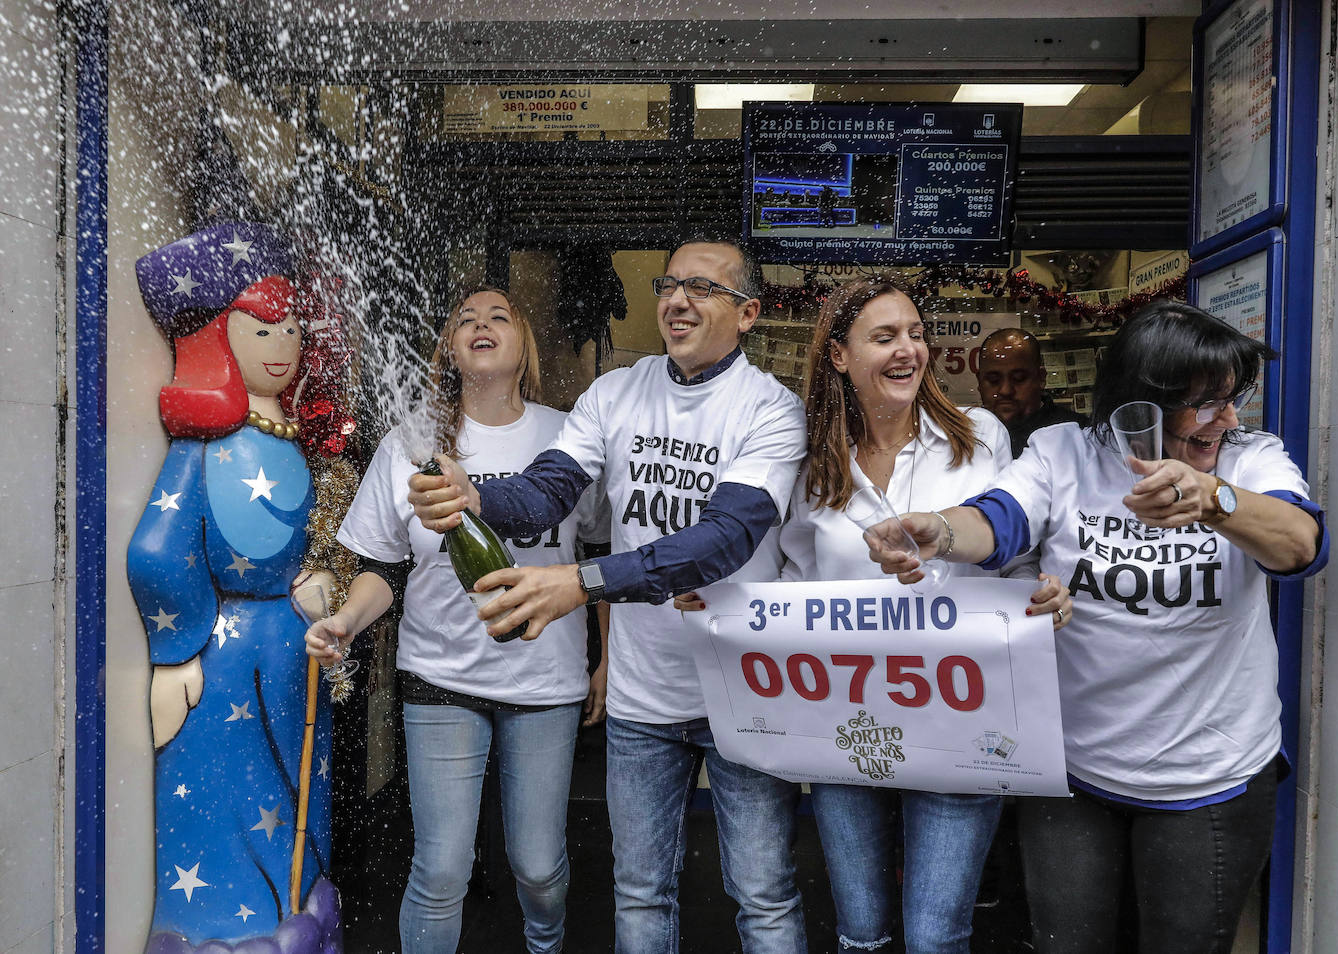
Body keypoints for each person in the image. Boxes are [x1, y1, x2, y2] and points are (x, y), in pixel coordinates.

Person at [868, 300, 1329, 954]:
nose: (1228, 418)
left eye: (1234, 399)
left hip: (1208, 776)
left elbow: (1301, 545)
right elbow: (1000, 519)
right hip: (1074, 771)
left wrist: (1216, 501)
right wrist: (938, 531)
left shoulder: (1248, 460)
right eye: (1206, 404)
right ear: (1142, 401)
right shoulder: (1066, 453)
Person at [407, 238, 810, 953]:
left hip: (743, 692)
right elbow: (547, 492)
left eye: (701, 288)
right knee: (640, 895)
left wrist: (582, 581)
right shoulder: (615, 392)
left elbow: (723, 540)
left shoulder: (771, 410)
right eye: (669, 283)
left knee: (763, 897)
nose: (678, 299)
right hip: (643, 700)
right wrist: (480, 495)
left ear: (748, 313)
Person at [676, 275, 1070, 953]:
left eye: (915, 335)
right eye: (885, 337)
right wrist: (722, 601)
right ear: (838, 356)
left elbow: (1014, 558)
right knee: (860, 932)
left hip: (960, 722)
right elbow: (789, 590)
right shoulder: (811, 466)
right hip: (846, 728)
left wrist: (1044, 593)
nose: (908, 351)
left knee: (934, 936)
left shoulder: (978, 438)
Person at [304, 288, 611, 954]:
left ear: (523, 345)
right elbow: (384, 569)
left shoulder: (569, 436)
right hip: (439, 675)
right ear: (449, 348)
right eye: (466, 318)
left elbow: (603, 554)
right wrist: (349, 621)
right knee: (440, 869)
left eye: (499, 316)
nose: (481, 324)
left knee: (538, 868)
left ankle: (546, 942)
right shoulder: (411, 442)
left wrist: (605, 659)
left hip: (543, 681)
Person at [127, 223, 349, 949]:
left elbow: (306, 540)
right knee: (230, 803)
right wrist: (176, 651)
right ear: (220, 337)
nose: (282, 343)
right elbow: (158, 549)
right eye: (262, 327)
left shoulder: (286, 438)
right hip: (224, 664)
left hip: (291, 652)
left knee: (299, 798)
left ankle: (293, 916)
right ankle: (228, 927)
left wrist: (315, 582)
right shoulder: (204, 445)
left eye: (289, 325)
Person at [975, 327, 1086, 457]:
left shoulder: (1079, 434)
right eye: (994, 380)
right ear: (979, 381)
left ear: (1041, 378)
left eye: (1018, 379)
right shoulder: (966, 435)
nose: (1005, 390)